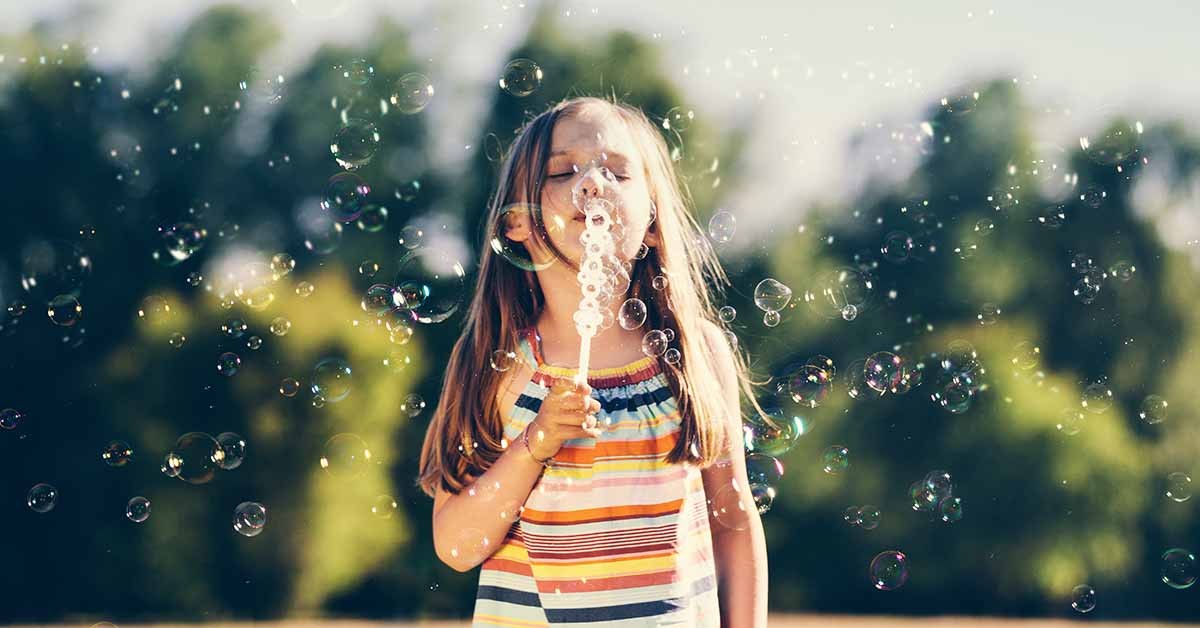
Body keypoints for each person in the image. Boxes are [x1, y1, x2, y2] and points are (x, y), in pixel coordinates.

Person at [417, 96, 769, 627]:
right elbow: (456, 545)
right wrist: (534, 446)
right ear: (516, 224)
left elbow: (733, 522)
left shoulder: (696, 352)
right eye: (564, 171)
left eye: (617, 172)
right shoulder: (496, 364)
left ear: (652, 218)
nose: (592, 184)